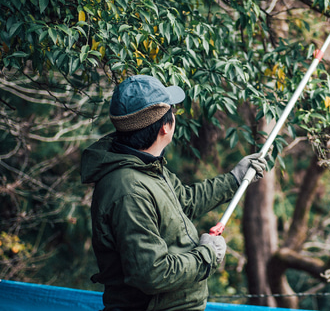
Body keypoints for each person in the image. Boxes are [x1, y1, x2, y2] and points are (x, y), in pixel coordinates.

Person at [81, 75, 267, 311]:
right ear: (165, 127)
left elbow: (184, 203)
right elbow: (153, 273)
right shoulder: (129, 191)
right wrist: (206, 255)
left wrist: (234, 179)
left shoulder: (146, 165)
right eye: (173, 113)